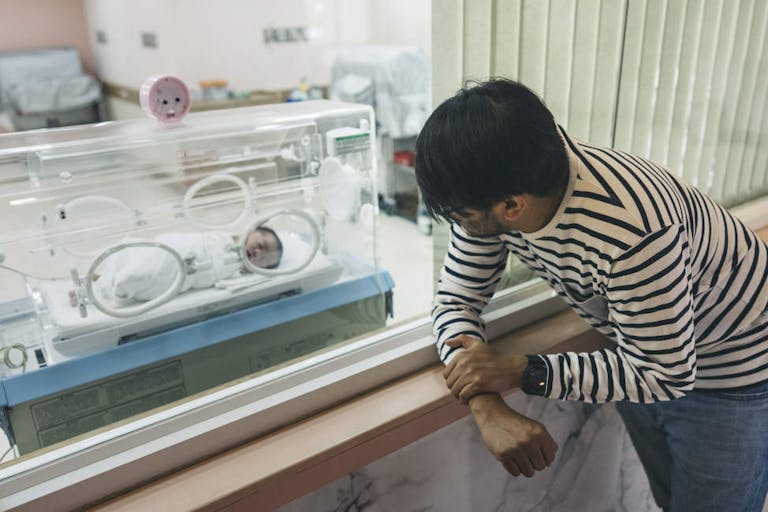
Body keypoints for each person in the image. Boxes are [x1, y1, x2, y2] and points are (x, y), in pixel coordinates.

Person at [415, 78, 768, 511]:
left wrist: (522, 370)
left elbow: (665, 375)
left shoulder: (631, 233)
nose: (458, 224)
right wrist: (484, 402)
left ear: (512, 206)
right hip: (641, 353)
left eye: (461, 215)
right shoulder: (508, 176)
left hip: (736, 370)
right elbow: (456, 300)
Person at [91, 226, 283, 305]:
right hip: (172, 251)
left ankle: (98, 288)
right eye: (261, 245)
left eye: (263, 260)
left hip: (177, 276)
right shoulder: (225, 237)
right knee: (139, 257)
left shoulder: (237, 274)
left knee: (139, 277)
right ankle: (99, 281)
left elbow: (226, 283)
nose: (258, 253)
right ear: (251, 231)